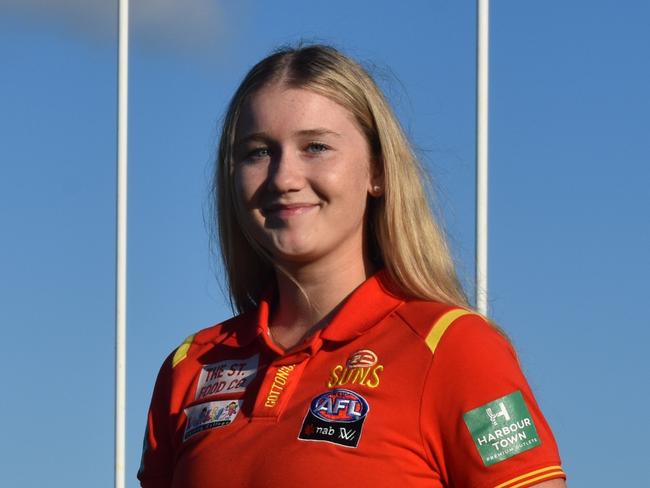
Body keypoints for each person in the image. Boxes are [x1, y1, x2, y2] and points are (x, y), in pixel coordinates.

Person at [138, 44, 566, 488]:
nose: (284, 177)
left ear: (377, 172)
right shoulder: (191, 367)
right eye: (258, 152)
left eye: (316, 147)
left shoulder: (455, 348)